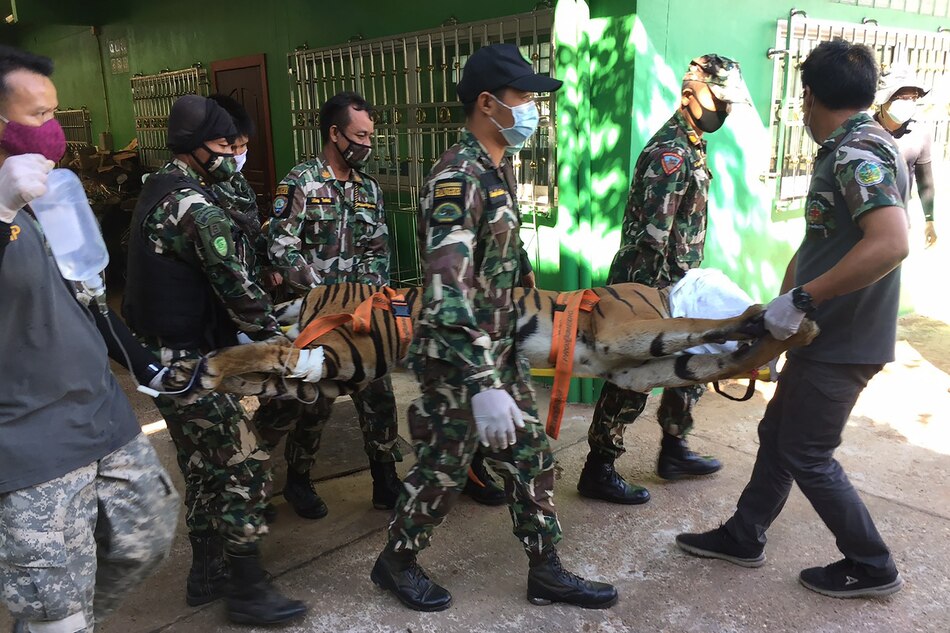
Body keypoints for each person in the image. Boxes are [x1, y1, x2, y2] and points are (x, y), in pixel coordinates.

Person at [370, 43, 618, 612]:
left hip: (497, 347)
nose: (533, 108)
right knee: (444, 467)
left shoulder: (497, 165)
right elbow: (447, 287)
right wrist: (483, 384)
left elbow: (502, 258)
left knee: (531, 455)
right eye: (524, 97)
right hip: (459, 357)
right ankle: (396, 561)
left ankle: (546, 570)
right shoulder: (458, 178)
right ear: (488, 102)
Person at [677, 39, 908, 599]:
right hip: (821, 333)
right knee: (777, 433)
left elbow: (890, 243)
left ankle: (871, 564)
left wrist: (801, 303)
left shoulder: (857, 154)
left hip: (843, 338)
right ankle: (744, 534)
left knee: (807, 451)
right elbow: (819, 247)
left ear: (808, 96)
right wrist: (775, 314)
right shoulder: (859, 144)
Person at [0, 45, 178, 633]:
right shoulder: (10, 196)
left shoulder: (51, 189)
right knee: (56, 616)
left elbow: (87, 290)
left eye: (55, 114)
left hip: (103, 415)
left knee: (148, 536)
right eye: (36, 116)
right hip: (28, 441)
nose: (52, 131)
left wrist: (145, 366)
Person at [123, 94, 307, 624]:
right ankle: (247, 588)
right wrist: (287, 350)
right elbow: (243, 297)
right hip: (191, 367)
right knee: (242, 464)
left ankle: (206, 572)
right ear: (196, 147)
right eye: (226, 145)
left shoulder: (160, 186)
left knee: (204, 466)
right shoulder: (196, 209)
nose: (234, 153)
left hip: (164, 358)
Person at [578, 54, 748, 505]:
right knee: (632, 379)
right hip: (652, 286)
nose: (725, 111)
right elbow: (651, 240)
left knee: (689, 367)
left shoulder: (692, 145)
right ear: (691, 94)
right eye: (720, 101)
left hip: (679, 284)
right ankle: (599, 467)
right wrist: (653, 308)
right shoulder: (670, 155)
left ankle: (674, 448)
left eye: (730, 103)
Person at [261, 91, 402, 519]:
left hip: (362, 314)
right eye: (359, 136)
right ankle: (299, 480)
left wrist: (367, 298)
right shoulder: (301, 182)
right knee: (313, 401)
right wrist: (325, 296)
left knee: (378, 393)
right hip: (317, 316)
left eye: (371, 137)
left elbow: (379, 248)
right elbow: (281, 245)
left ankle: (386, 479)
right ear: (335, 134)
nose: (367, 145)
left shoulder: (368, 189)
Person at [873, 65, 937, 248]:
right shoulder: (865, 132)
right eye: (901, 98)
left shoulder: (919, 133)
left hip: (899, 221)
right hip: (864, 223)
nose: (908, 102)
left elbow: (925, 181)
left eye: (913, 98)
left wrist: (929, 220)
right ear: (883, 100)